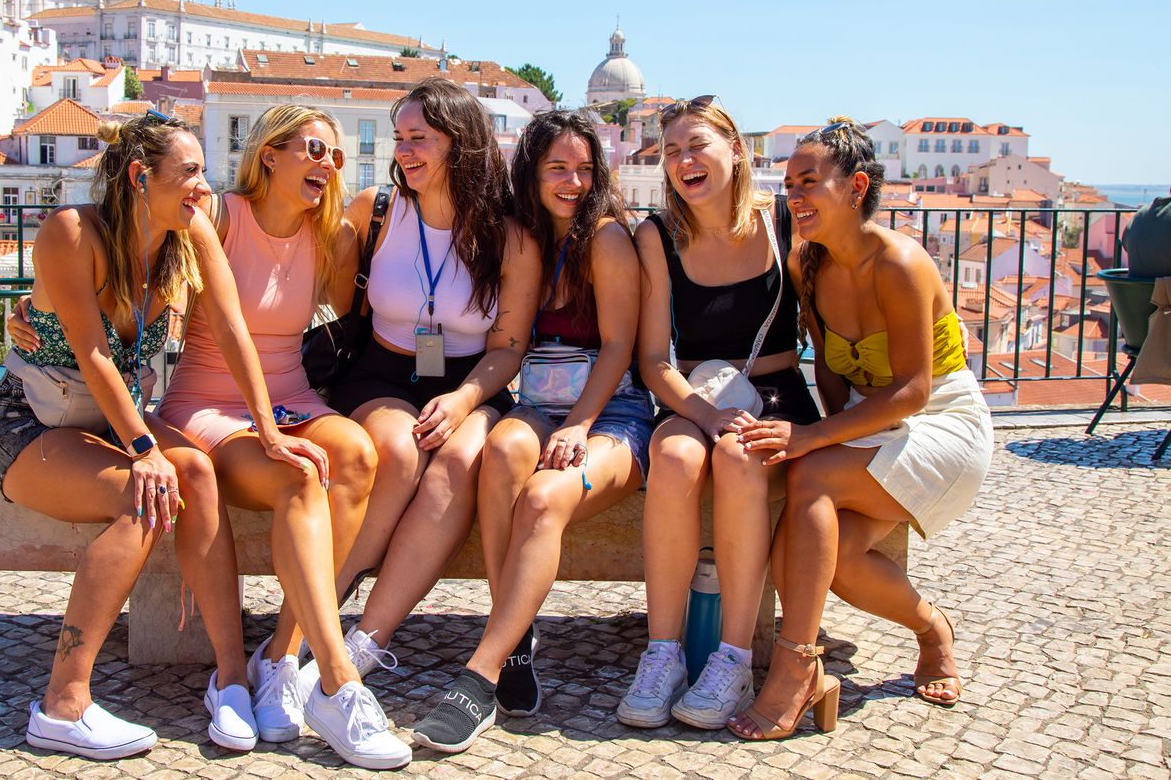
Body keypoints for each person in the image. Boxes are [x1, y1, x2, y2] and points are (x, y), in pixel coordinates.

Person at [9, 104, 408, 769]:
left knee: (263, 467)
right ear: (141, 176)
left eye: (203, 172)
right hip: (55, 418)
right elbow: (90, 347)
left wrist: (272, 430)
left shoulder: (187, 230)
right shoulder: (118, 227)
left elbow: (232, 325)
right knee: (179, 487)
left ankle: (247, 672)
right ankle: (68, 701)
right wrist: (142, 449)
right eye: (191, 171)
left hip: (138, 415)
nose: (202, 184)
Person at [727, 117, 992, 740]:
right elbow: (833, 376)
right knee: (830, 556)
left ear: (856, 187)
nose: (794, 195)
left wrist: (815, 440)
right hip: (877, 427)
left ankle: (797, 668)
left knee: (811, 471)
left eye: (810, 181)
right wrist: (829, 430)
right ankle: (933, 629)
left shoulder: (900, 264)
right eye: (789, 182)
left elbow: (914, 390)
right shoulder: (809, 265)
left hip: (942, 423)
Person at [411, 109, 652, 752]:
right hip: (538, 407)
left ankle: (480, 674)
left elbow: (620, 346)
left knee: (544, 497)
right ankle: (515, 635)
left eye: (583, 168)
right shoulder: (524, 239)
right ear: (532, 174)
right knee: (501, 450)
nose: (573, 181)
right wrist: (470, 400)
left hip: (612, 414)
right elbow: (512, 342)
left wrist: (580, 424)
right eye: (557, 169)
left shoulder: (606, 239)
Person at [310, 77, 540, 695]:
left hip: (474, 382)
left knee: (462, 460)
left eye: (421, 139)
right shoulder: (373, 210)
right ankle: (322, 610)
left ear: (460, 144)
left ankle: (366, 641)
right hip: (380, 371)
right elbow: (311, 282)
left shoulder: (510, 234)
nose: (405, 151)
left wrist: (465, 399)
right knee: (401, 450)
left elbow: (510, 346)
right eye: (401, 138)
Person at [618, 95, 821, 731]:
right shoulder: (656, 236)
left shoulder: (784, 223)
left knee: (739, 457)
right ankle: (663, 652)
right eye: (672, 150)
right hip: (697, 395)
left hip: (778, 393)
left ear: (735, 150)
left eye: (697, 146)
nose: (683, 161)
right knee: (674, 456)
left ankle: (734, 658)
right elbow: (654, 361)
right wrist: (702, 416)